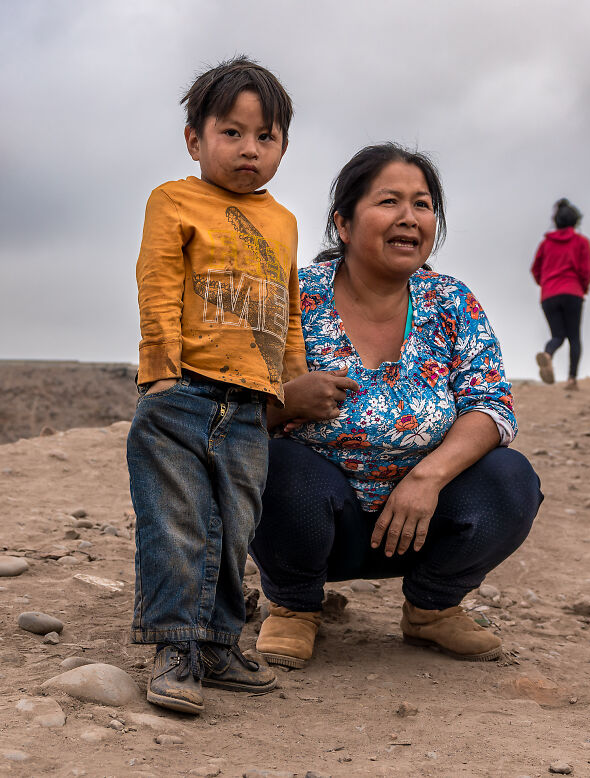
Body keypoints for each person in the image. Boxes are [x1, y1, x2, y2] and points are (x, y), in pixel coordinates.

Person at [250, 143, 543, 669]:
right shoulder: (293, 295)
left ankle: (432, 608)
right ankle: (294, 606)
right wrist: (284, 402)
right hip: (318, 518)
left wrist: (427, 479)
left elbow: (491, 406)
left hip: (422, 520)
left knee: (510, 478)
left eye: (423, 204)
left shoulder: (450, 301)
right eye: (389, 201)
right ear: (343, 223)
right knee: (274, 466)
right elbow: (229, 411)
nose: (409, 217)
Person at [126, 57, 307, 714]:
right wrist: (161, 377)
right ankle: (175, 645)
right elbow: (158, 288)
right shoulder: (174, 200)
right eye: (233, 133)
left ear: (283, 145)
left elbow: (288, 311)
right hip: (184, 393)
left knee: (234, 527)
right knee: (175, 523)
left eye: (267, 137)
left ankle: (219, 642)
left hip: (250, 406)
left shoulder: (283, 221)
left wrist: (287, 389)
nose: (250, 150)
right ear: (194, 139)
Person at [531, 198, 590, 390]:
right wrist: (582, 287)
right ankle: (571, 379)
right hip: (572, 292)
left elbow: (536, 269)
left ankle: (548, 355)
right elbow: (587, 270)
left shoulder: (545, 244)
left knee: (558, 335)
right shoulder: (581, 242)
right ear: (576, 221)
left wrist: (546, 284)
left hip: (549, 294)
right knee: (574, 337)